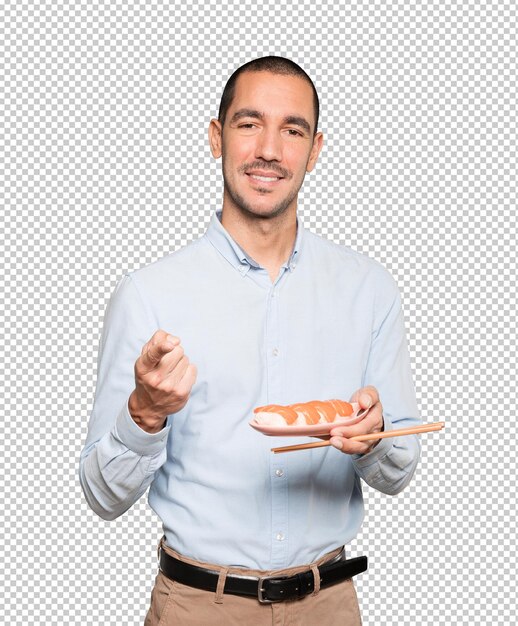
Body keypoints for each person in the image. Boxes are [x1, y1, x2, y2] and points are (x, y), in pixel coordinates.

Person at [79, 56, 422, 626]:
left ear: (315, 150)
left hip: (328, 606)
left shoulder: (369, 289)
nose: (269, 149)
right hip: (198, 607)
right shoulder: (149, 294)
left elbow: (401, 469)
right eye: (248, 123)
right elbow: (101, 495)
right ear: (216, 138)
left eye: (293, 130)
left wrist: (375, 441)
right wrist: (143, 414)